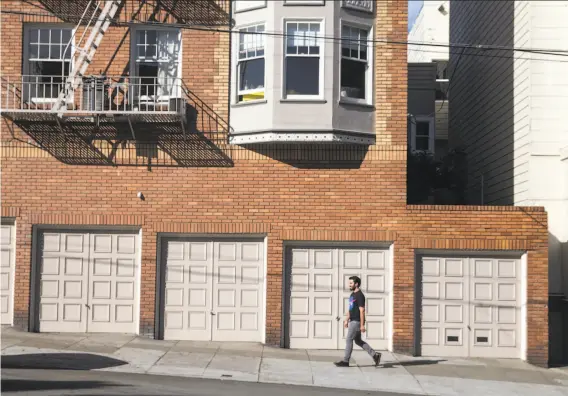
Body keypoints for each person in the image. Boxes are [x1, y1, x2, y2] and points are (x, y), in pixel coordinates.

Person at [334, 276, 382, 367]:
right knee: (358, 341)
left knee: (349, 339)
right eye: (349, 283)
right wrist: (346, 319)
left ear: (356, 284)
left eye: (351, 283)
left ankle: (345, 361)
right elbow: (351, 309)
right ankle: (375, 355)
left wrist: (362, 325)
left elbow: (362, 310)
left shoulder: (360, 295)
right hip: (353, 320)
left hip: (356, 321)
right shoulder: (352, 295)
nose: (349, 285)